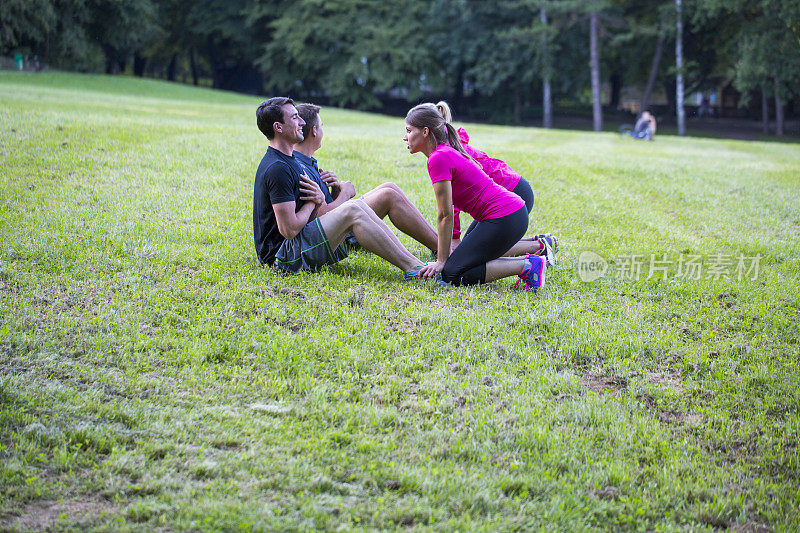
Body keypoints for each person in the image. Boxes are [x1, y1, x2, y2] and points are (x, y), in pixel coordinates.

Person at [253, 97, 426, 280]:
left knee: (357, 207)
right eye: (295, 117)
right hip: (281, 258)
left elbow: (307, 218)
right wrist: (314, 202)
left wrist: (325, 197)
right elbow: (289, 230)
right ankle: (414, 269)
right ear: (278, 127)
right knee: (353, 209)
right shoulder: (277, 168)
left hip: (294, 246)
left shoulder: (289, 161)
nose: (302, 122)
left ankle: (418, 265)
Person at [403, 103, 547, 291]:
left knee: (451, 274)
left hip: (506, 216)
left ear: (425, 132)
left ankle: (528, 266)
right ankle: (530, 260)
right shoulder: (443, 153)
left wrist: (441, 261)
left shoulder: (438, 158)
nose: (404, 137)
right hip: (509, 214)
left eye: (408, 130)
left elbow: (445, 214)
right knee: (460, 263)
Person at [293, 103, 439, 255]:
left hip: (336, 229)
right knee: (389, 195)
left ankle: (440, 245)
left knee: (389, 188)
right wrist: (345, 194)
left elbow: (323, 209)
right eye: (321, 126)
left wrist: (335, 191)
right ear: (314, 131)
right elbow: (321, 217)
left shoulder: (306, 161)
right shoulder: (301, 168)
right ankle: (442, 248)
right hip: (331, 240)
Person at [431, 102, 557, 264]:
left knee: (475, 246)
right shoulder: (450, 146)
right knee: (473, 242)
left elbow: (451, 203)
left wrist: (455, 238)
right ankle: (540, 242)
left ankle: (538, 247)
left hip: (513, 192)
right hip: (514, 189)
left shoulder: (448, 153)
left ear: (427, 131)